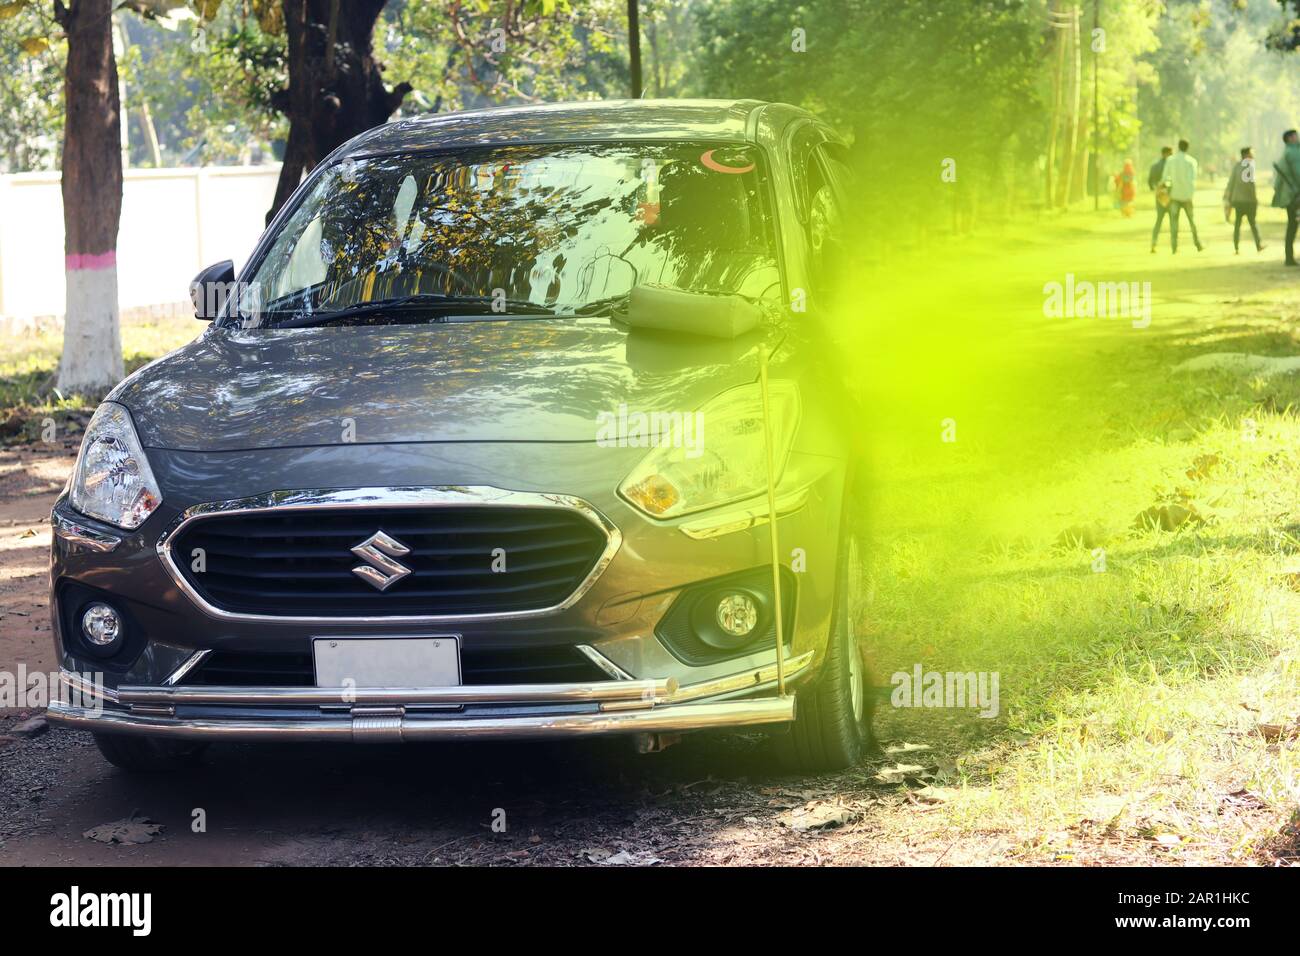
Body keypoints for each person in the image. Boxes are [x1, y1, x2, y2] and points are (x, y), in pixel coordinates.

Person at [1165, 139, 1204, 253]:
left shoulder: (1170, 160)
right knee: (1192, 221)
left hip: (1174, 196)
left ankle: (1174, 247)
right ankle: (1197, 244)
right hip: (1187, 196)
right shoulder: (1191, 161)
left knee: (1174, 222)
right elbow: (1192, 180)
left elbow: (1166, 178)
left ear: (1178, 147)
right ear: (1187, 148)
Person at [1223, 147, 1264, 254]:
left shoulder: (1237, 166)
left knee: (1237, 225)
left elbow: (1231, 183)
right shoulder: (1250, 166)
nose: (1252, 155)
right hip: (1249, 201)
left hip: (1238, 201)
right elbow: (1251, 186)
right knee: (1252, 224)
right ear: (1246, 155)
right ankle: (1258, 245)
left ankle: (1236, 247)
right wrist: (1255, 199)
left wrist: (1228, 198)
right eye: (1251, 153)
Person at [1273, 129, 1300, 266]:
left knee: (1292, 226)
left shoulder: (1288, 152)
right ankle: (1289, 258)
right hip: (1296, 196)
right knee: (1293, 226)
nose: (1298, 137)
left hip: (1290, 196)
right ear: (1290, 138)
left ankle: (1289, 257)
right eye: (1295, 135)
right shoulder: (1293, 153)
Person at [1149, 146, 1173, 252]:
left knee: (1159, 220)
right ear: (1166, 154)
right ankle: (1174, 245)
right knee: (1173, 221)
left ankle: (1153, 243)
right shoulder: (1171, 166)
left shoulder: (1155, 166)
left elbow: (1150, 181)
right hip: (1171, 195)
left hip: (1159, 196)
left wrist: (1156, 189)